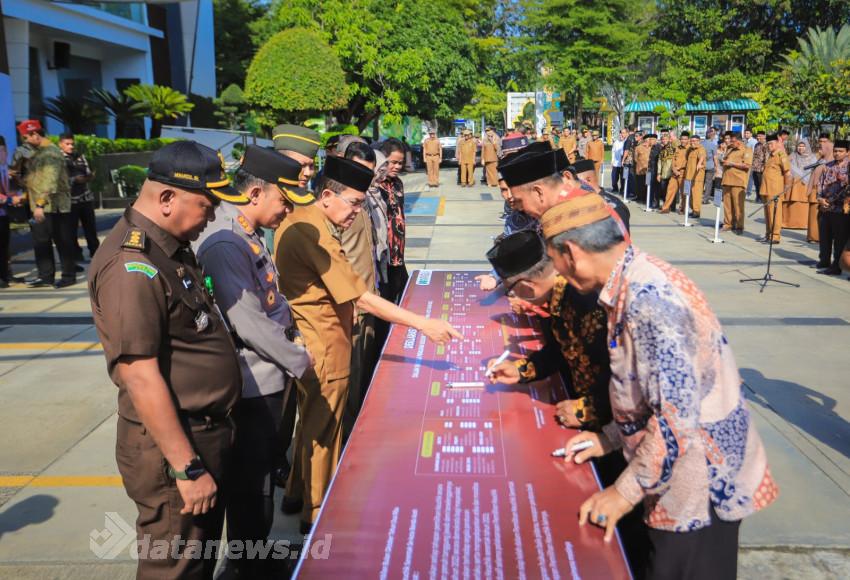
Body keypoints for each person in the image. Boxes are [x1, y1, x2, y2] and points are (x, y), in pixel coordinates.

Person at [540, 193, 777, 580]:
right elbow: (649, 395)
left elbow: (677, 418)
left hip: (700, 485)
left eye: (554, 262)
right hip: (680, 468)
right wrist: (610, 438)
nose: (558, 273)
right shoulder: (630, 279)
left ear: (571, 252)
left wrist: (623, 492)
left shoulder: (650, 301)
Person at [274, 155, 461, 533]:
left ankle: (296, 493)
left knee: (310, 425)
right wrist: (422, 324)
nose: (358, 212)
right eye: (355, 204)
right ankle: (316, 513)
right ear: (328, 195)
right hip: (326, 342)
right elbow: (358, 295)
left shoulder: (303, 219)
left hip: (312, 339)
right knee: (326, 430)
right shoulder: (314, 232)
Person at [88, 140, 248, 579]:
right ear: (166, 198)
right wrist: (187, 466)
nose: (212, 215)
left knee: (196, 562)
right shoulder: (131, 266)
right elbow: (139, 375)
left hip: (201, 432)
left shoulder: (168, 246)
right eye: (206, 204)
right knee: (175, 568)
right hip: (175, 448)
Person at [192, 145, 311, 577]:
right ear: (257, 193)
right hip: (252, 384)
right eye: (284, 201)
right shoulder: (227, 243)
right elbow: (248, 322)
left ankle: (253, 558)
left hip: (268, 377)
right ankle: (248, 566)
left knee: (258, 479)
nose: (286, 211)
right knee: (251, 484)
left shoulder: (246, 232)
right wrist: (301, 359)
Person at [339, 141, 381, 434]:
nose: (365, 179)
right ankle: (346, 444)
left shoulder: (360, 201)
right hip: (350, 306)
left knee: (363, 375)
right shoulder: (335, 205)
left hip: (369, 300)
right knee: (348, 385)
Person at [17, 120, 76, 288]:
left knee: (62, 241)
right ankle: (45, 276)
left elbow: (50, 180)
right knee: (41, 241)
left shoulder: (51, 153)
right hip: (40, 205)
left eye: (26, 138)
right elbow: (36, 179)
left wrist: (40, 205)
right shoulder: (38, 152)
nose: (25, 142)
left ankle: (68, 276)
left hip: (54, 206)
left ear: (36, 134)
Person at [58, 134, 99, 262]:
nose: (71, 146)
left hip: (85, 198)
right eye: (67, 144)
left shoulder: (80, 156)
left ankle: (95, 252)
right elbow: (58, 179)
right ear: (61, 144)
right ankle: (76, 254)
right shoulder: (58, 159)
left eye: (72, 144)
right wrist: (74, 180)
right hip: (70, 200)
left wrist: (89, 176)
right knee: (71, 231)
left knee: (90, 228)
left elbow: (87, 172)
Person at [815, 139, 849, 275]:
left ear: (847, 152)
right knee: (824, 237)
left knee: (839, 240)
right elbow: (820, 184)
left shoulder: (849, 167)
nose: (837, 153)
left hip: (840, 210)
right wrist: (820, 198)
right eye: (835, 151)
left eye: (841, 151)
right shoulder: (827, 166)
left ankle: (836, 266)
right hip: (825, 207)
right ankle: (824, 260)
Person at [1, 137, 25, 288]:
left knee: (4, 246)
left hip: (3, 214)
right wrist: (10, 200)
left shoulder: (5, 169)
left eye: (3, 150)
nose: (2, 154)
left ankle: (5, 274)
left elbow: (7, 191)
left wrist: (15, 197)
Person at [758, 134, 792, 244]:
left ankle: (775, 236)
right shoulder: (770, 156)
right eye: (767, 144)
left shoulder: (781, 155)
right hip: (766, 188)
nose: (769, 146)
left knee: (775, 213)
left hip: (775, 189)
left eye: (771, 143)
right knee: (767, 213)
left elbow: (787, 173)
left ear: (777, 143)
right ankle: (768, 234)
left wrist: (786, 187)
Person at [720, 131, 753, 234]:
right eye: (730, 140)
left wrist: (731, 163)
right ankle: (728, 224)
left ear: (739, 141)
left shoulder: (746, 150)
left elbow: (747, 165)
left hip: (738, 181)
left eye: (733, 141)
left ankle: (739, 226)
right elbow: (724, 160)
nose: (731, 143)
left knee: (738, 206)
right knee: (727, 205)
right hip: (726, 180)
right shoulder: (729, 149)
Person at [784, 139, 816, 231]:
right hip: (794, 183)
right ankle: (789, 222)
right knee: (791, 202)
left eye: (803, 146)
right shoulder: (793, 155)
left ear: (806, 147)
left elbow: (814, 170)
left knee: (803, 203)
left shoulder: (812, 157)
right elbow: (786, 164)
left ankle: (803, 223)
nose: (800, 148)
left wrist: (804, 176)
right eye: (799, 146)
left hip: (806, 183)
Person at [808, 134, 834, 243]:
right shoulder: (818, 156)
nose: (822, 144)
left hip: (826, 191)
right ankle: (813, 236)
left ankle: (821, 237)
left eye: (824, 141)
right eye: (820, 141)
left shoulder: (832, 158)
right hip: (815, 188)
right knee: (813, 214)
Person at [660, 132, 689, 214]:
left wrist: (679, 169)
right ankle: (665, 208)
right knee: (670, 190)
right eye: (682, 139)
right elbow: (673, 159)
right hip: (675, 172)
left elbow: (688, 161)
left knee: (683, 193)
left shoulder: (689, 149)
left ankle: (682, 209)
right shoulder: (677, 148)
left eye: (685, 139)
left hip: (683, 173)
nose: (683, 141)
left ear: (688, 140)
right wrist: (674, 169)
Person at [684, 134, 706, 218]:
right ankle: (693, 210)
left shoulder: (701, 149)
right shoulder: (690, 149)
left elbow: (702, 157)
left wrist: (699, 164)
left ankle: (697, 211)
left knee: (696, 194)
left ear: (699, 141)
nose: (692, 142)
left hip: (697, 176)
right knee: (690, 195)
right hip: (689, 175)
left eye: (694, 141)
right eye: (691, 141)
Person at [750, 131, 768, 201]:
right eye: (757, 136)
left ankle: (761, 198)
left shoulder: (766, 145)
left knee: (761, 184)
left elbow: (766, 157)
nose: (758, 138)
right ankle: (757, 197)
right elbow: (754, 155)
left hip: (761, 168)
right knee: (756, 183)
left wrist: (764, 167)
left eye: (760, 136)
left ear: (764, 136)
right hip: (755, 167)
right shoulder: (757, 145)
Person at [633, 134, 651, 203]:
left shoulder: (651, 147)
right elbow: (635, 158)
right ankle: (639, 198)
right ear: (644, 140)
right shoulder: (638, 148)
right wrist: (641, 163)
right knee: (640, 184)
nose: (647, 141)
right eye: (646, 140)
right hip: (640, 169)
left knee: (647, 185)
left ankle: (646, 199)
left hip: (648, 170)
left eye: (649, 140)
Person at [702, 128, 718, 205]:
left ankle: (698, 197)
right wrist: (717, 167)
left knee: (701, 182)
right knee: (708, 183)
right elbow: (715, 157)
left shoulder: (701, 144)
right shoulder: (713, 145)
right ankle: (705, 199)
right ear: (712, 136)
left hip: (701, 165)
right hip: (710, 166)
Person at [611, 129, 627, 194]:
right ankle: (615, 188)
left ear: (626, 134)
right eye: (620, 133)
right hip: (616, 163)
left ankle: (622, 189)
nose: (621, 135)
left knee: (623, 178)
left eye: (623, 133)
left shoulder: (626, 142)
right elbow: (613, 152)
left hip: (623, 163)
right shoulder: (616, 142)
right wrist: (612, 161)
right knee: (614, 177)